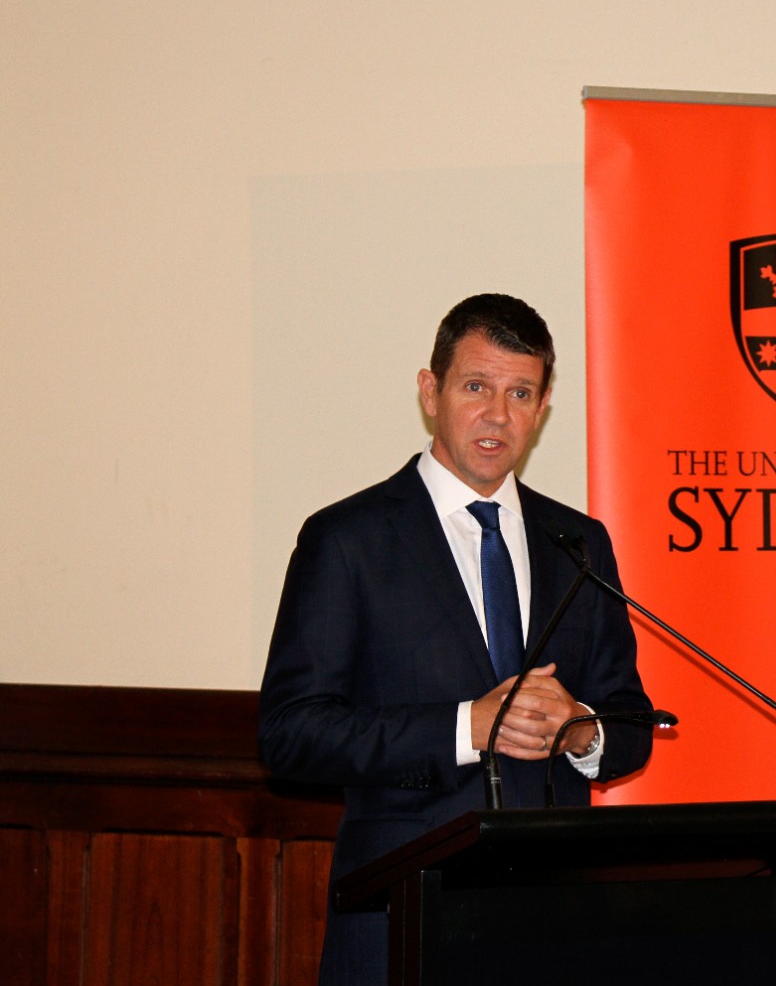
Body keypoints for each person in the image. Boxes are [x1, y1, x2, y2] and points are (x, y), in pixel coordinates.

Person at [259, 292, 652, 984]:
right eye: (476, 386)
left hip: (550, 925)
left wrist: (580, 731)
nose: (497, 414)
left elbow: (630, 722)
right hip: (401, 917)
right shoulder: (348, 539)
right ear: (430, 391)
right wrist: (466, 727)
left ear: (543, 406)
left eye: (520, 392)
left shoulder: (578, 544)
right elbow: (292, 733)